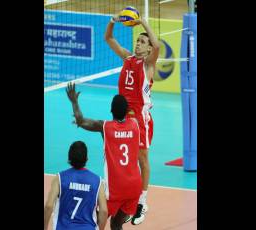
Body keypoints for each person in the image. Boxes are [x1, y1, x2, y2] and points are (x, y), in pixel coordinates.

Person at [104, 14, 160, 225]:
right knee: (125, 160)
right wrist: (112, 20)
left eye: (143, 42)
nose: (138, 44)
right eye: (137, 40)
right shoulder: (127, 57)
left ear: (148, 49)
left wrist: (143, 21)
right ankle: (127, 199)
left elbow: (157, 46)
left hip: (140, 120)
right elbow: (109, 39)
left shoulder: (148, 65)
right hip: (122, 119)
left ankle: (142, 202)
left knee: (142, 160)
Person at [66, 82, 142, 230]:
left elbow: (81, 120)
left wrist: (74, 102)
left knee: (93, 220)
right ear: (126, 111)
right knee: (116, 224)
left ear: (111, 110)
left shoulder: (105, 127)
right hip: (134, 187)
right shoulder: (135, 124)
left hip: (116, 188)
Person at [44, 141, 108, 230]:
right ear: (87, 158)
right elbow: (104, 211)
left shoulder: (59, 178)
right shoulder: (98, 181)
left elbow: (48, 206)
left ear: (69, 157)